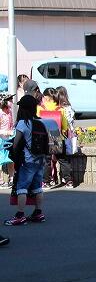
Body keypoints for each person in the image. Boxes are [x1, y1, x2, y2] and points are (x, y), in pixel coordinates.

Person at [5, 95, 47, 226]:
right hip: (40, 160)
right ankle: (38, 213)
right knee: (38, 188)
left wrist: (14, 154)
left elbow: (16, 143)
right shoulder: (40, 122)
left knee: (22, 188)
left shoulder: (23, 123)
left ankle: (20, 216)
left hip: (27, 161)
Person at [55, 86, 76, 187]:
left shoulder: (60, 109)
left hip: (62, 134)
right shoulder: (69, 107)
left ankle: (66, 178)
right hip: (70, 135)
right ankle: (67, 178)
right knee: (66, 158)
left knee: (62, 159)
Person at [0, 94, 15, 188]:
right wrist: (6, 132)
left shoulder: (10, 112)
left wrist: (12, 132)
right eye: (10, 100)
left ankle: (12, 178)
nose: (12, 101)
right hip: (1, 139)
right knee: (1, 159)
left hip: (9, 138)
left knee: (10, 159)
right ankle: (2, 180)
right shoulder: (0, 113)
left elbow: (11, 125)